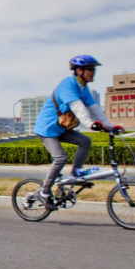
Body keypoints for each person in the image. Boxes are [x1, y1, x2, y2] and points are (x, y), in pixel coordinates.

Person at [33, 55, 120, 210]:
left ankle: (75, 174)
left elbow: (95, 109)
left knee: (85, 141)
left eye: (94, 69)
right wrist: (91, 124)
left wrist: (111, 127)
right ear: (79, 70)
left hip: (60, 129)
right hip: (46, 129)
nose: (93, 72)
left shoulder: (83, 88)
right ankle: (45, 191)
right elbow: (78, 107)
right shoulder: (67, 85)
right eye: (90, 69)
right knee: (60, 158)